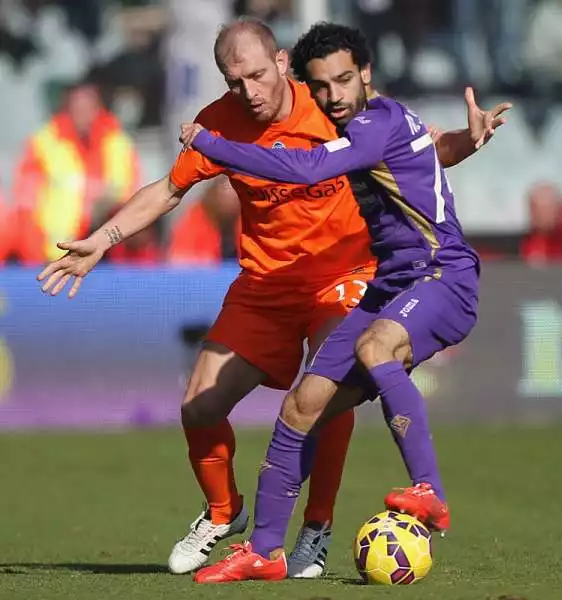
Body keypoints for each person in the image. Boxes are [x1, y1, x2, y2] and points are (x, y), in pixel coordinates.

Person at [36, 18, 507, 579]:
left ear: (282, 63)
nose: (249, 91)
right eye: (235, 81)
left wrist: (467, 141)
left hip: (346, 271)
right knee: (201, 406)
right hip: (266, 282)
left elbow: (415, 151)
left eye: (257, 75)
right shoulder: (225, 117)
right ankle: (226, 515)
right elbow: (168, 189)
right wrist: (104, 239)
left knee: (332, 383)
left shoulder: (329, 97)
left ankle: (317, 527)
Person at [186, 22, 508, 583]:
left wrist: (210, 143)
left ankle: (429, 490)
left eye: (343, 81)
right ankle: (265, 550)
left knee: (375, 343)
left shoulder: (374, 123)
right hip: (392, 284)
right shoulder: (366, 125)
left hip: (441, 276)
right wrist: (466, 139)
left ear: (365, 74)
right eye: (322, 86)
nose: (333, 96)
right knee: (301, 406)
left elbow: (308, 166)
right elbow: (429, 152)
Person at [12, 82, 140, 264]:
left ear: (98, 109)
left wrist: (104, 203)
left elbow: (134, 196)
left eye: (88, 108)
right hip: (55, 253)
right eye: (78, 108)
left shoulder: (118, 144)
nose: (84, 115)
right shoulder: (44, 142)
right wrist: (32, 256)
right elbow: (26, 203)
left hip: (108, 250)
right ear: (68, 109)